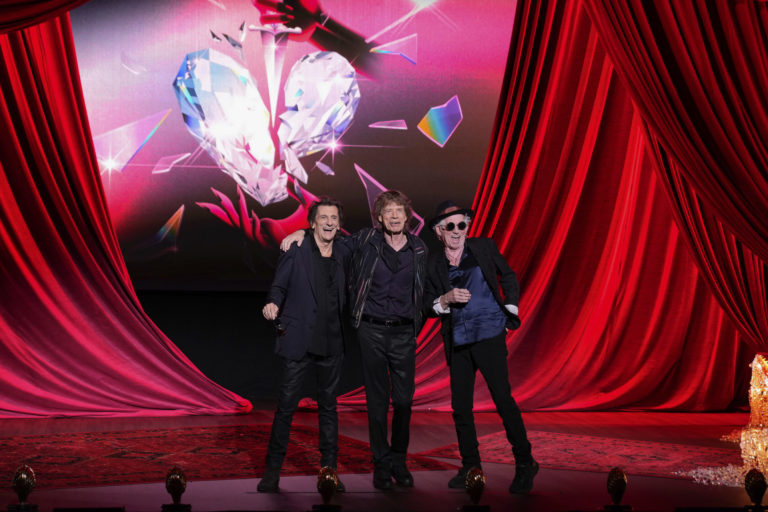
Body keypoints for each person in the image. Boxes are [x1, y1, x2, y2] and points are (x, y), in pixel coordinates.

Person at [281, 190, 427, 491]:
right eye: (388, 211)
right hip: (371, 330)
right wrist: (301, 232)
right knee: (377, 401)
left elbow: (424, 288)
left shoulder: (419, 249)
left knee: (403, 400)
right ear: (380, 217)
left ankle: (399, 460)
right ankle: (381, 465)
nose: (394, 216)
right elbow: (327, 238)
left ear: (407, 216)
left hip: (403, 333)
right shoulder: (365, 239)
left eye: (399, 210)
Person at [423, 200, 538, 494]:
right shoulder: (433, 264)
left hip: (488, 334)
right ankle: (470, 467)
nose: (457, 230)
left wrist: (508, 310)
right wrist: (445, 300)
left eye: (462, 224)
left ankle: (525, 462)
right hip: (459, 341)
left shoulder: (483, 247)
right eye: (450, 226)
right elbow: (426, 305)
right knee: (461, 407)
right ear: (438, 231)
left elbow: (508, 276)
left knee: (503, 400)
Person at [258, 197, 349, 493]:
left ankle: (329, 472)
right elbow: (279, 285)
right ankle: (272, 473)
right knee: (286, 408)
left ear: (339, 224)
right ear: (312, 223)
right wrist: (273, 303)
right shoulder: (296, 249)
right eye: (323, 217)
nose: (329, 223)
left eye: (334, 218)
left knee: (329, 410)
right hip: (299, 341)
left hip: (332, 342)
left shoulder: (345, 251)